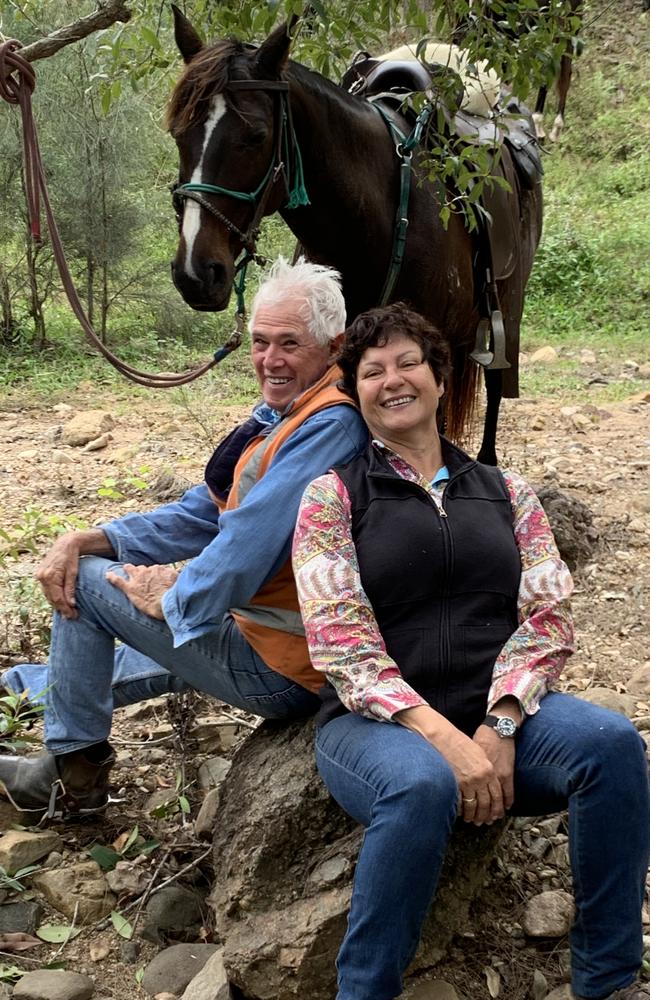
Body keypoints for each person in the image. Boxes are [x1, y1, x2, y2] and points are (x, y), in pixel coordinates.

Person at [292, 302, 650, 1000]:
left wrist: (503, 720)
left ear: (438, 377)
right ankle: (365, 991)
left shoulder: (507, 492)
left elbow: (547, 615)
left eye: (407, 363)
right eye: (372, 371)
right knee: (421, 785)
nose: (392, 380)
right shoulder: (331, 497)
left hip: (500, 713)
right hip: (377, 727)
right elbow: (341, 642)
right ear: (355, 391)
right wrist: (445, 740)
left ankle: (606, 980)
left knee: (611, 744)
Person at [0, 257, 367, 821]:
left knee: (89, 586)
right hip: (262, 634)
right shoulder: (291, 412)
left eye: (290, 344)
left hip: (287, 662)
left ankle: (72, 774)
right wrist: (95, 535)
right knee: (96, 579)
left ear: (333, 346)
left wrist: (176, 598)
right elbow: (204, 512)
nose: (270, 360)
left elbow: (245, 545)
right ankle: (19, 687)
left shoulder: (330, 425)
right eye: (261, 342)